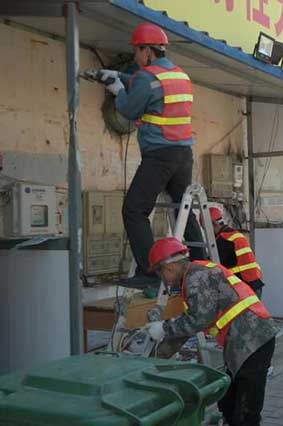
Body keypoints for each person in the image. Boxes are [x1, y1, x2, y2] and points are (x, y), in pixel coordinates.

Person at [99, 23, 204, 288]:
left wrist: (118, 89)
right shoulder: (180, 76)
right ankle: (201, 265)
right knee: (183, 209)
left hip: (159, 155)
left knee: (134, 210)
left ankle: (150, 273)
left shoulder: (147, 78)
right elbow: (152, 89)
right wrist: (120, 77)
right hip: (183, 154)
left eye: (136, 51)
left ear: (148, 51)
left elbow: (130, 109)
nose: (135, 56)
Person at [146, 237, 278, 425]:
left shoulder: (196, 277)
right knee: (228, 400)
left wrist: (164, 329)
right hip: (246, 340)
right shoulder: (196, 275)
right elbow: (192, 323)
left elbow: (199, 320)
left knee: (246, 410)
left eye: (161, 274)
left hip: (252, 340)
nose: (164, 281)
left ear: (169, 268)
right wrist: (158, 354)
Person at [207, 207, 266, 297]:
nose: (206, 232)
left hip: (245, 286)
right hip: (253, 283)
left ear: (214, 224)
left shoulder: (223, 240)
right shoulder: (234, 235)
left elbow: (213, 265)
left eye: (206, 228)